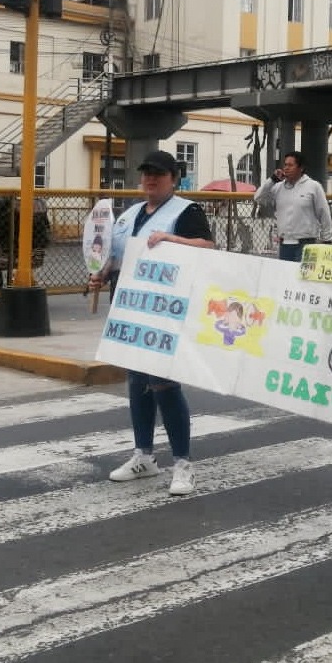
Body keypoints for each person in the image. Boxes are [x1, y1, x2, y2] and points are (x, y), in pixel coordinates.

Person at [88, 150, 215, 496]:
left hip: (164, 313)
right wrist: (101, 274)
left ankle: (183, 464)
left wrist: (174, 239)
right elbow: (115, 259)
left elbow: (207, 245)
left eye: (158, 173)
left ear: (174, 178)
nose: (150, 179)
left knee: (164, 384)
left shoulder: (185, 211)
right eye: (146, 173)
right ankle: (143, 455)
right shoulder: (129, 216)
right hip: (129, 312)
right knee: (137, 382)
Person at [253, 150, 332, 262]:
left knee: (303, 277)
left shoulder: (313, 187)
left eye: (291, 165)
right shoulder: (278, 187)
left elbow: (323, 213)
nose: (286, 168)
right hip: (284, 245)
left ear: (301, 168)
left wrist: (327, 239)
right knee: (286, 278)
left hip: (306, 244)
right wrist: (272, 180)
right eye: (285, 165)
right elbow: (258, 197)